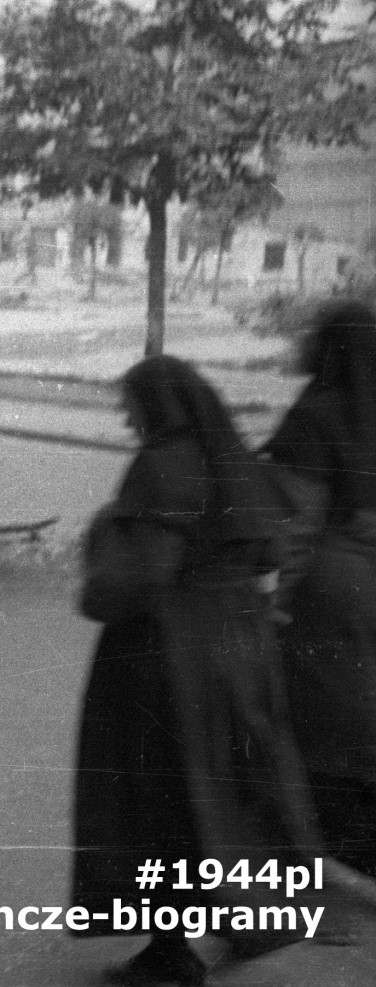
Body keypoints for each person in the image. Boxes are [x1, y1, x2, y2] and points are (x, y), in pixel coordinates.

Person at [71, 355, 319, 987]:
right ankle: (256, 918)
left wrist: (104, 537)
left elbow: (144, 573)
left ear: (155, 404)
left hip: (174, 652)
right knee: (233, 789)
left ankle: (170, 952)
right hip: (241, 643)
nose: (126, 418)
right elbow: (274, 547)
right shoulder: (234, 458)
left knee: (163, 800)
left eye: (130, 405)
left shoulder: (161, 466)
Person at [261, 299, 376, 876]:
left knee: (321, 722)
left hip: (332, 592)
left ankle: (326, 862)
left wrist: (272, 605)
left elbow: (295, 526)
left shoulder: (314, 415)